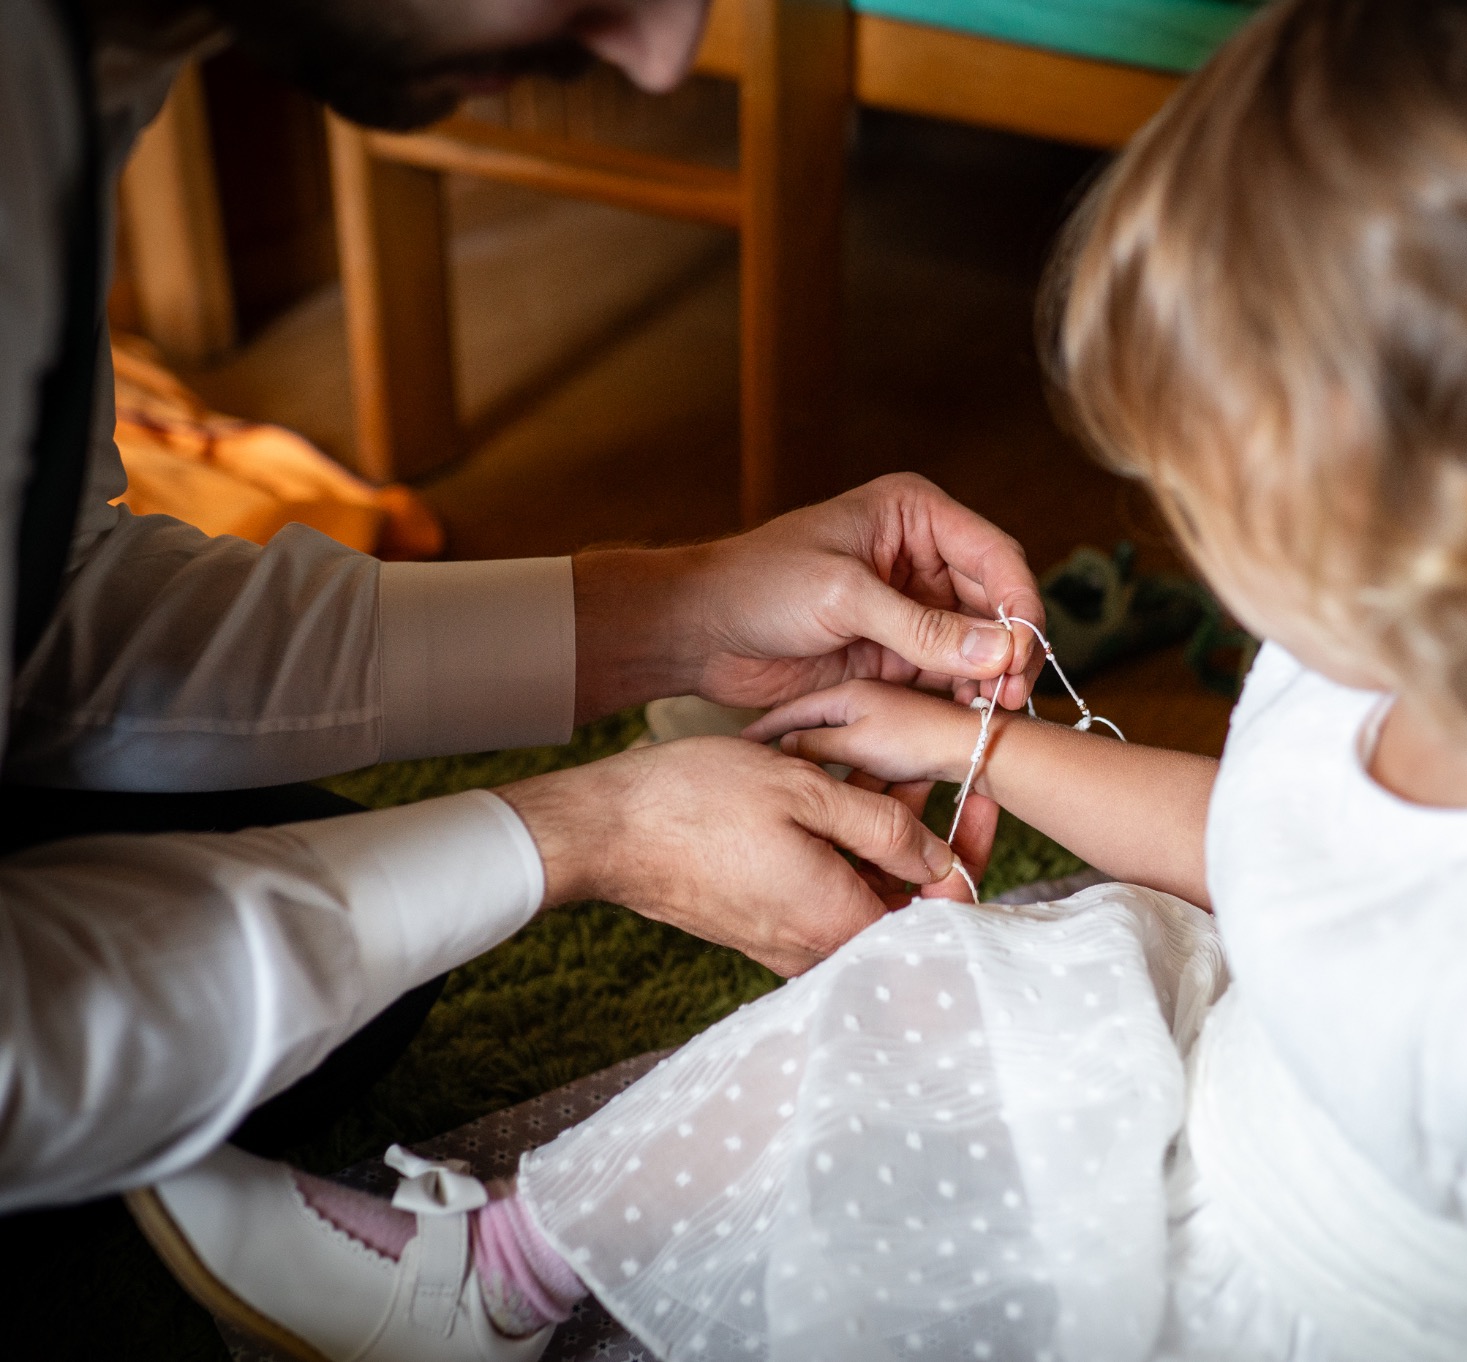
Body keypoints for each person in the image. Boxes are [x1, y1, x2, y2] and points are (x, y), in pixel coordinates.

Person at [126, 0, 1467, 1357]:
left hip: (1331, 1307)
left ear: (1433, 505)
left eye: (1211, 496)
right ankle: (506, 1272)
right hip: (1271, 1085)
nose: (1192, 539)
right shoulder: (1438, 635)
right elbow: (1267, 841)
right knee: (964, 977)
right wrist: (961, 735)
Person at [0, 0, 1044, 1217]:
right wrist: (583, 835)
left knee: (349, 953)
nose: (662, 58)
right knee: (357, 928)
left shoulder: (84, 66)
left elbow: (50, 609)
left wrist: (676, 616)